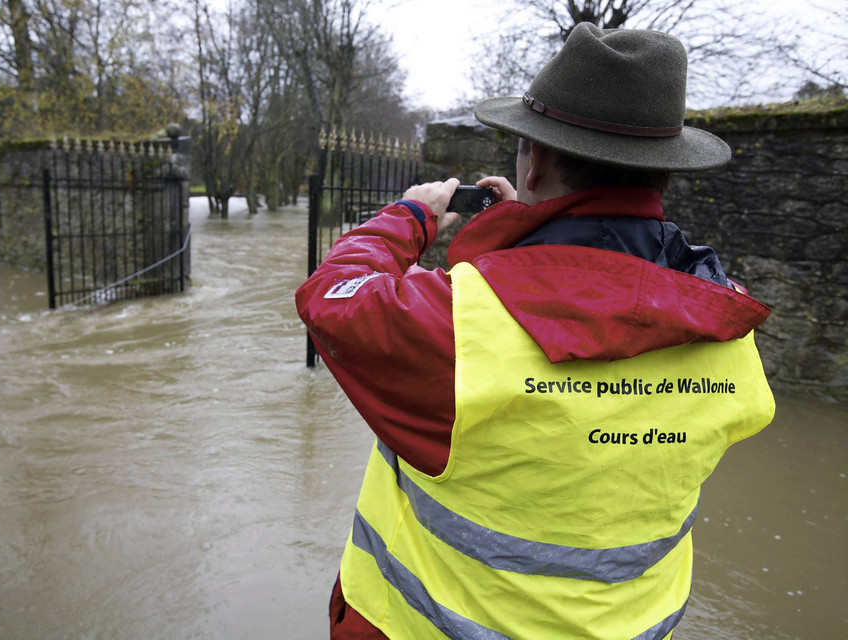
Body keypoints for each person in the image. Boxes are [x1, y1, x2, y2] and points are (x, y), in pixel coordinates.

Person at [295, 22, 775, 640]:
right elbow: (598, 297)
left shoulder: (458, 330)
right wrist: (520, 230)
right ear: (660, 171)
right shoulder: (729, 330)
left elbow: (332, 297)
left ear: (538, 157)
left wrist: (409, 216)